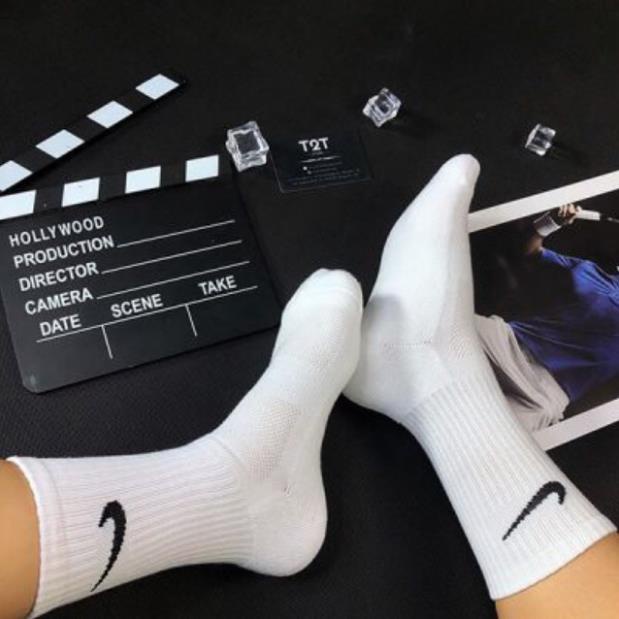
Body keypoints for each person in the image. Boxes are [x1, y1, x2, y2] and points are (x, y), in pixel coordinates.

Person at [1, 156, 617, 619]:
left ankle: (240, 477)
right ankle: (440, 382)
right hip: (505, 345)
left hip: (543, 392)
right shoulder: (593, 274)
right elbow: (533, 256)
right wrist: (550, 224)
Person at [475, 203, 619, 431]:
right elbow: (530, 251)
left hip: (543, 395)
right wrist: (550, 222)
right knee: (434, 325)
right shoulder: (589, 271)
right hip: (508, 341)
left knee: (486, 441)